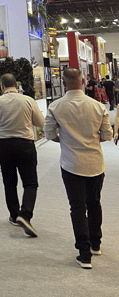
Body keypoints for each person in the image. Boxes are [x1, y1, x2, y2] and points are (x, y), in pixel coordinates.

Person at [44, 67, 113, 269]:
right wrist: (91, 141)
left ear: (64, 83)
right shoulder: (97, 106)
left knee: (77, 207)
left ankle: (84, 254)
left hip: (71, 163)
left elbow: (49, 135)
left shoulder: (55, 107)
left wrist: (67, 141)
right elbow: (107, 135)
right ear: (82, 82)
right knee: (94, 203)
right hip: (95, 163)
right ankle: (96, 244)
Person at [0, 73, 44, 238]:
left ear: (2, 86)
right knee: (30, 183)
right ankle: (25, 214)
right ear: (16, 85)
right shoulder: (28, 100)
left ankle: (14, 215)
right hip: (25, 144)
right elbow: (40, 123)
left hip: (5, 145)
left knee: (9, 182)